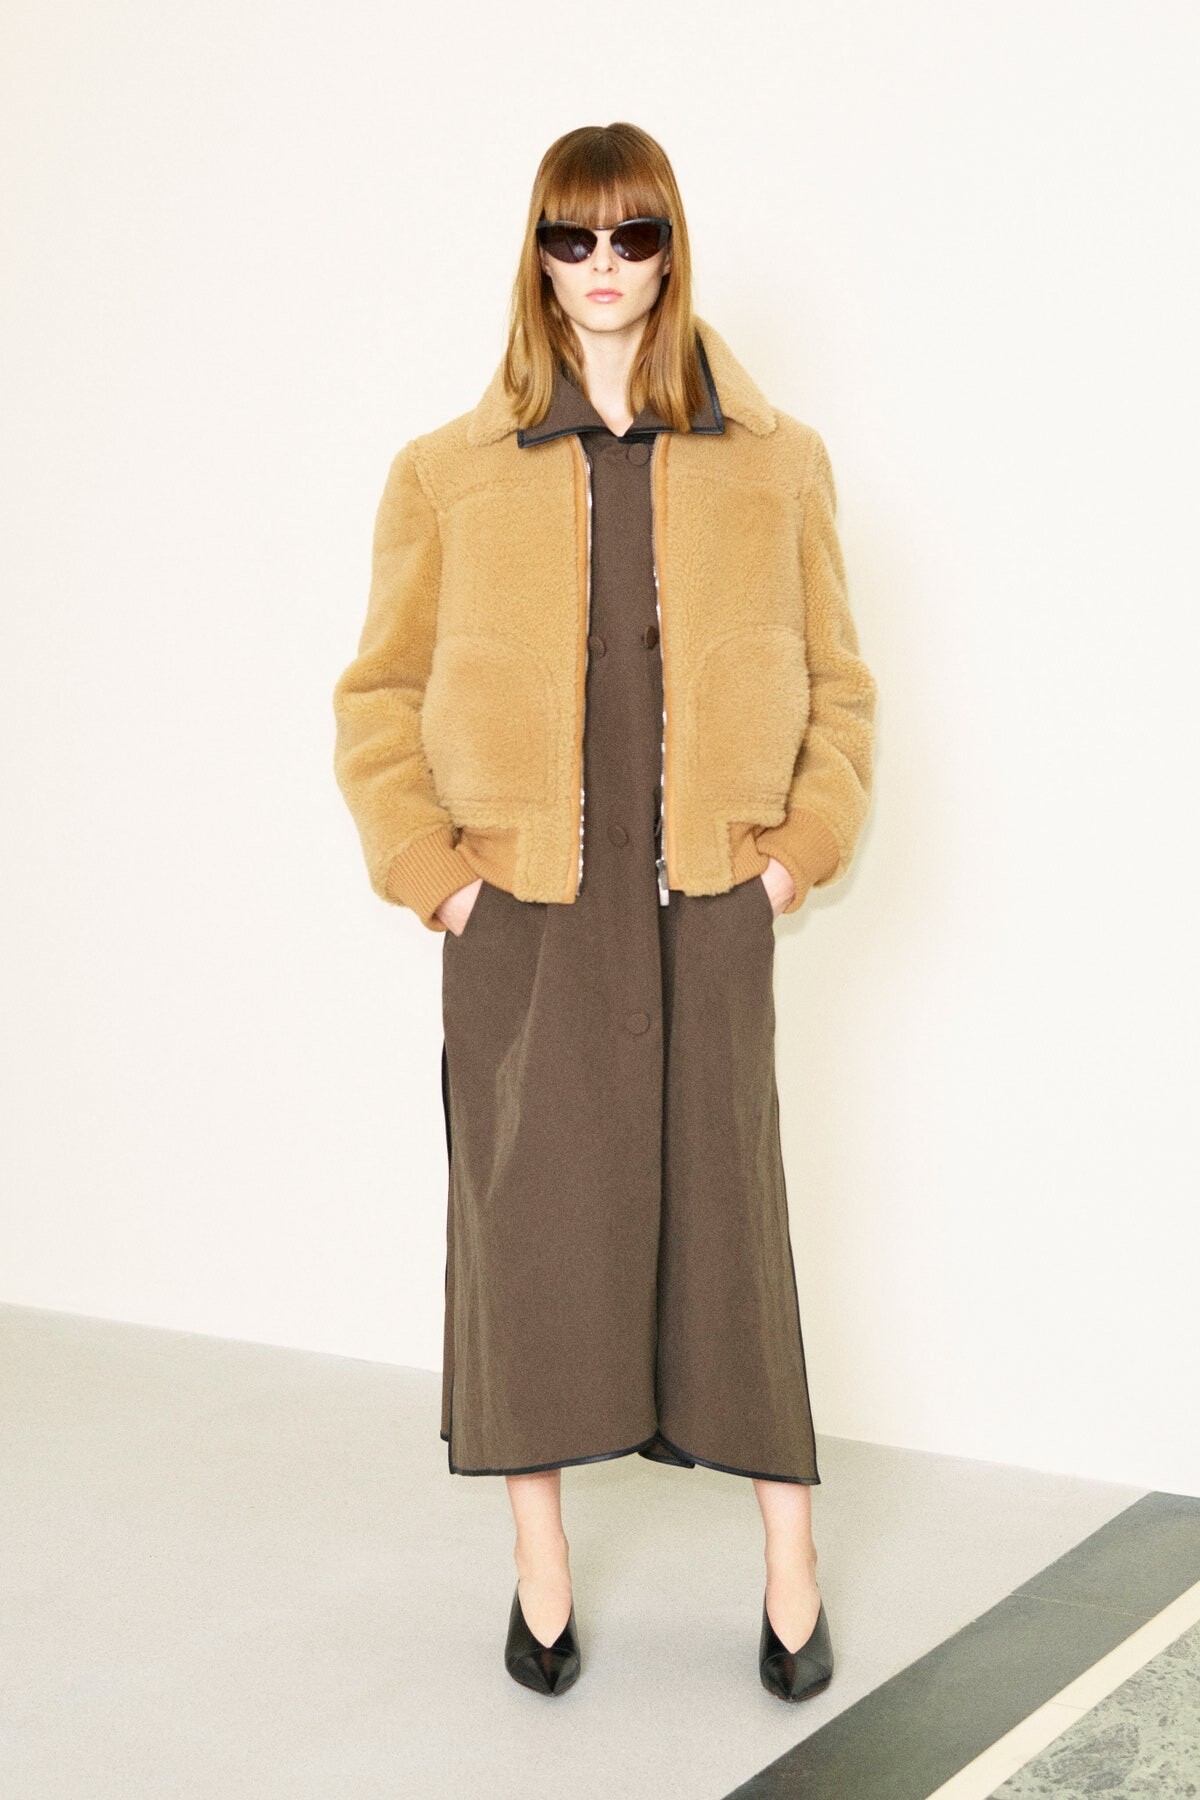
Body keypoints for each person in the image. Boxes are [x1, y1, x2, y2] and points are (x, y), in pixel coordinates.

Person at [332, 121, 876, 1702]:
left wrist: (795, 854)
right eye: (571, 240)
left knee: (733, 1236)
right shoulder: (446, 474)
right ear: (538, 257)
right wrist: (439, 880)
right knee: (532, 1239)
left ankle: (792, 1575)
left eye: (633, 236)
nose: (604, 269)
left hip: (708, 910)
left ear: (670, 248)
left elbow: (841, 687)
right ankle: (542, 1575)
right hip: (526, 921)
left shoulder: (779, 463)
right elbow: (379, 698)